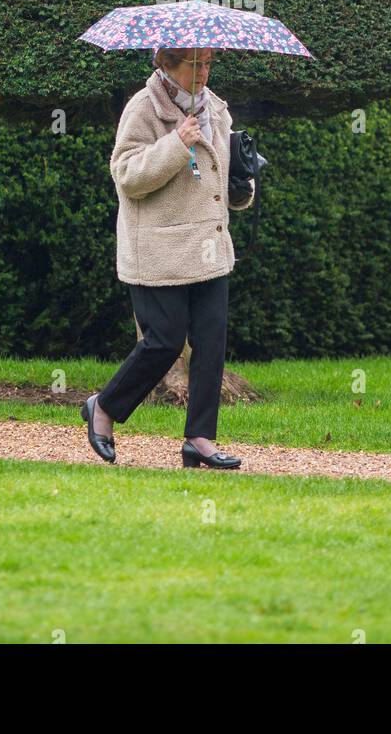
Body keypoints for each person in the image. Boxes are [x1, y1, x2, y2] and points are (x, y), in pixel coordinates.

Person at [81, 45, 255, 469]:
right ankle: (103, 408)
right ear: (166, 64)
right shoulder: (143, 108)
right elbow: (126, 174)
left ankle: (199, 438)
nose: (204, 72)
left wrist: (241, 186)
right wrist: (177, 143)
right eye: (195, 64)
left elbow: (217, 174)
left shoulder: (216, 107)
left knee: (212, 342)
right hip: (158, 250)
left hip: (209, 247)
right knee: (163, 342)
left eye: (209, 63)